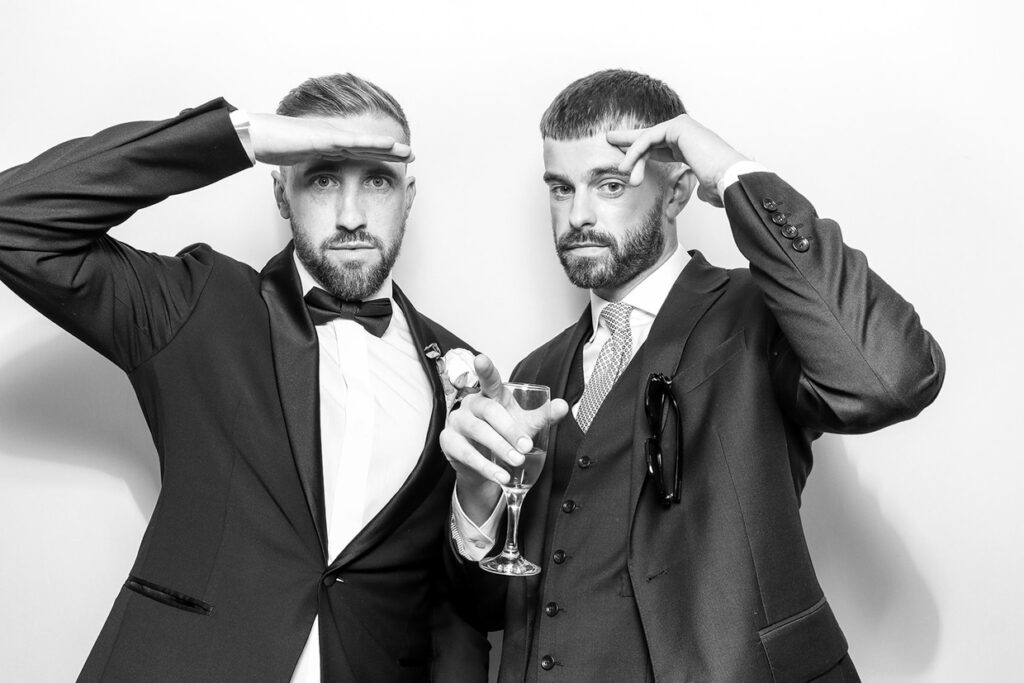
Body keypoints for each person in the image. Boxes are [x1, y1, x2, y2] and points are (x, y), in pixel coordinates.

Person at [441, 69, 945, 682]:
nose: (577, 215)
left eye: (608, 184)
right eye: (559, 188)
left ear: (677, 191)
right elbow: (488, 605)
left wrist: (732, 172)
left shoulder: (760, 315)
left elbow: (891, 377)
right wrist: (477, 494)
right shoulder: (535, 373)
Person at [0, 73, 488, 682]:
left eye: (378, 181)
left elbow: (460, 611)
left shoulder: (463, 367)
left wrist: (481, 504)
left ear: (408, 194)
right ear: (280, 193)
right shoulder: (199, 305)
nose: (351, 215)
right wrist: (245, 135)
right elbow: (13, 220)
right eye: (322, 178)